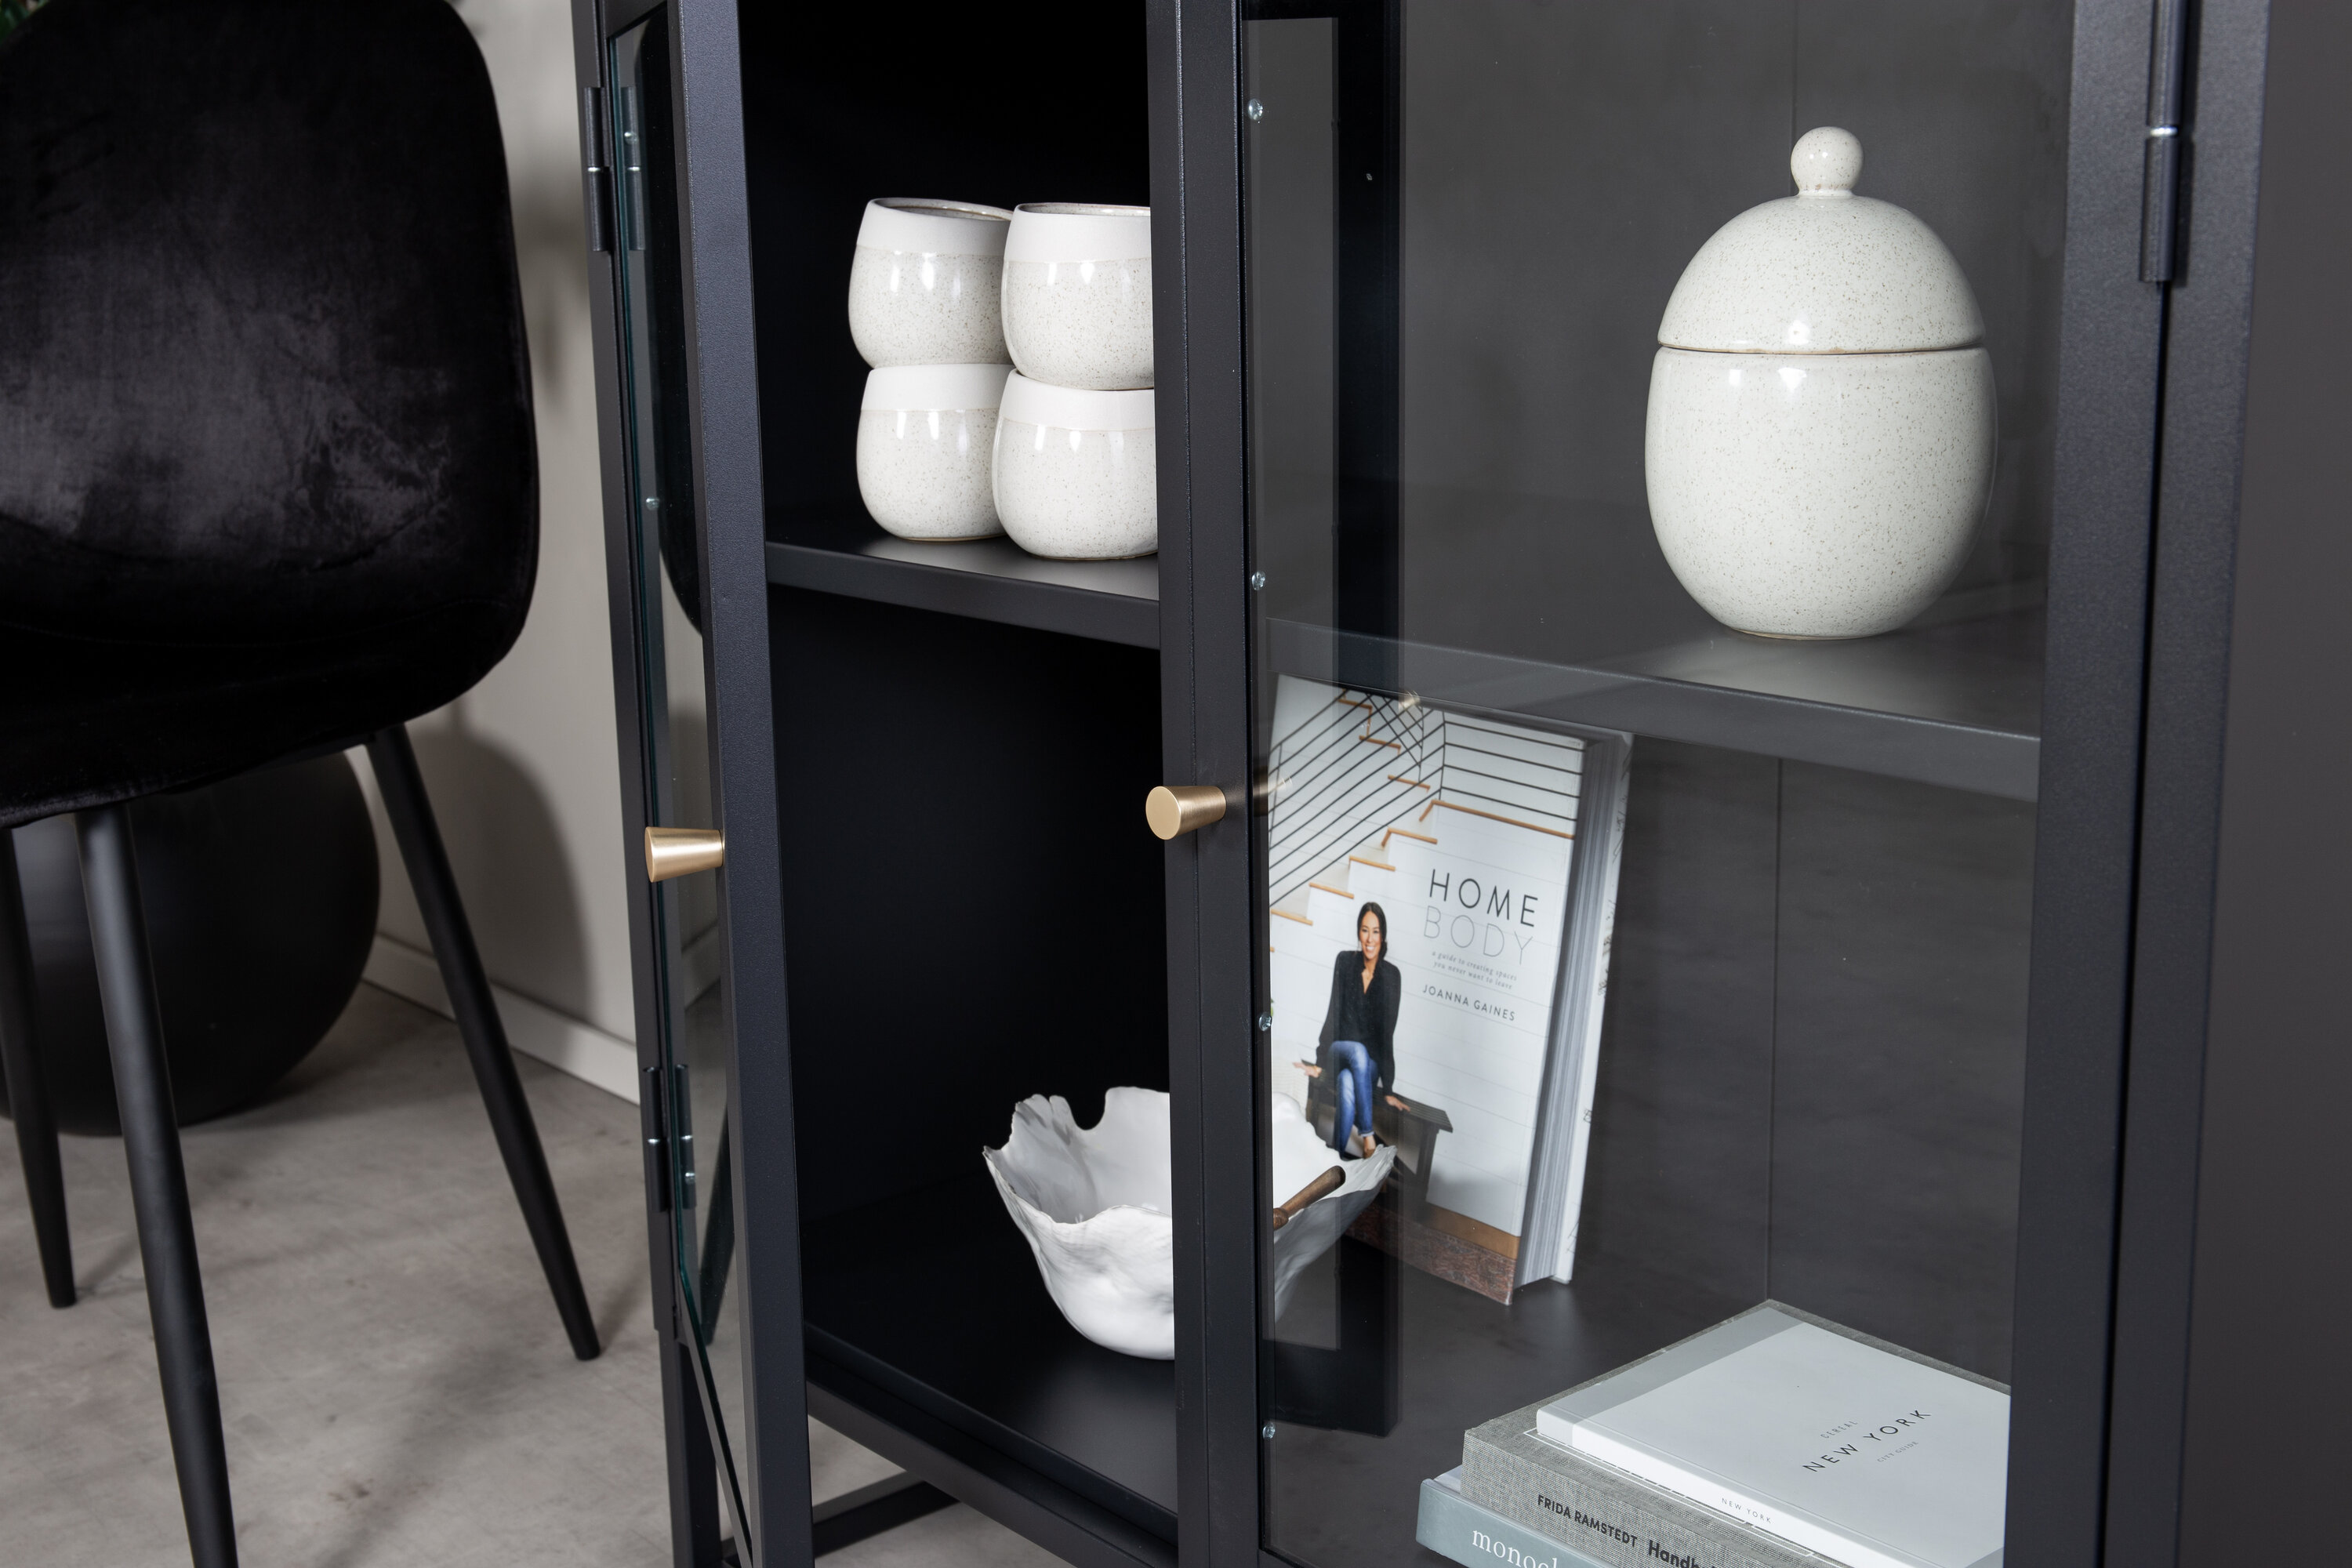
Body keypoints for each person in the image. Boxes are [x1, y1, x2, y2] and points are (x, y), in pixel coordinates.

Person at [1298, 902, 1406, 1158]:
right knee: (1357, 1051)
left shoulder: (1392, 976)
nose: (1370, 939)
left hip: (1368, 1066)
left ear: (1383, 936)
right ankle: (1368, 1137)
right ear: (1358, 932)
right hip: (1340, 1051)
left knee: (1347, 1083)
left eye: (1376, 931)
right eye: (1365, 930)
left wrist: (1388, 1089)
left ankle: (1336, 1161)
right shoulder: (1345, 961)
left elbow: (1387, 1034)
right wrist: (1320, 1062)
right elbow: (1332, 1012)